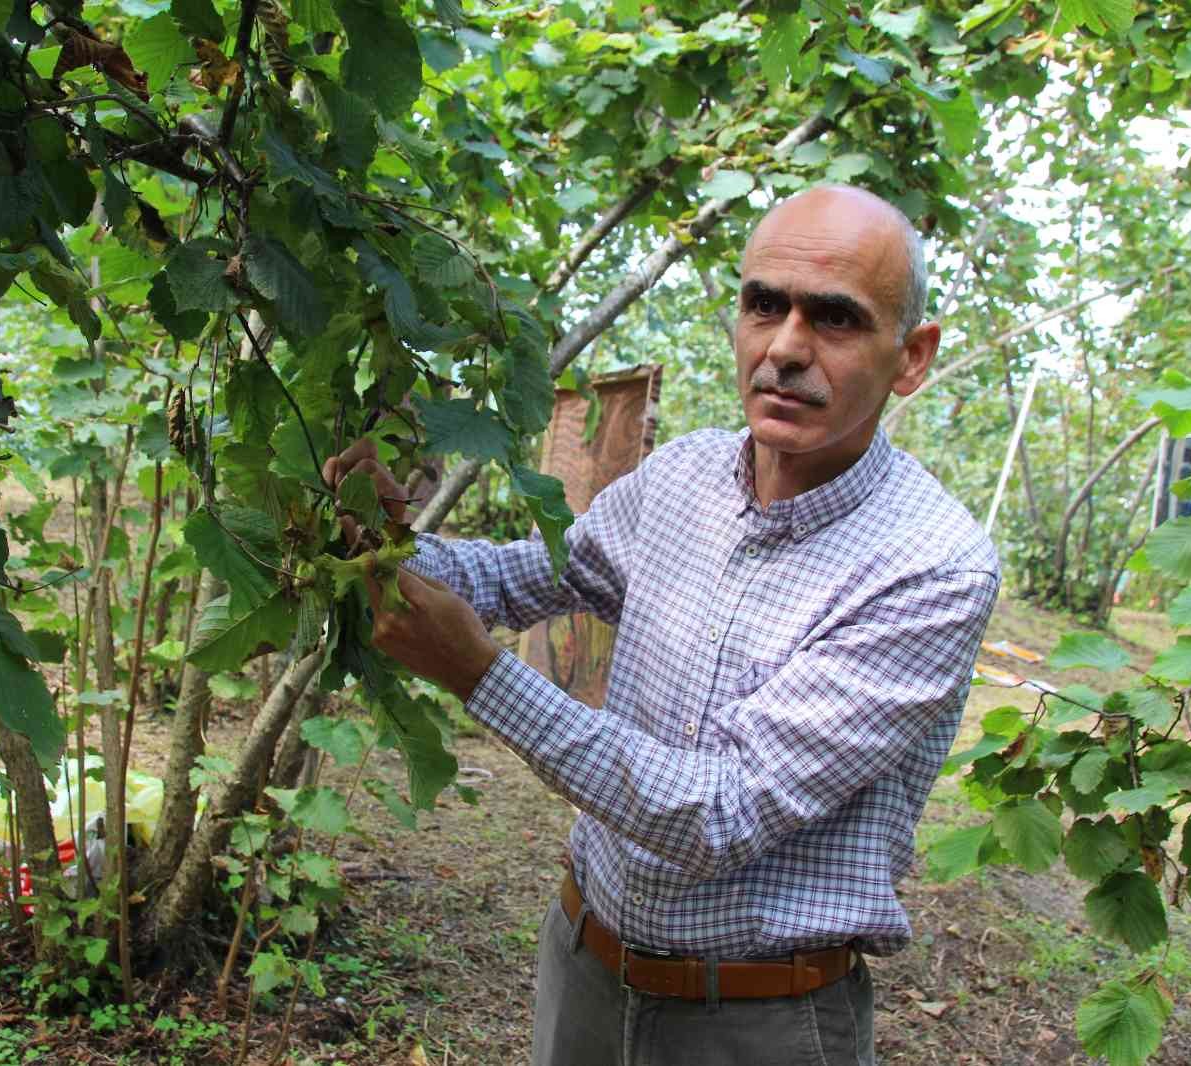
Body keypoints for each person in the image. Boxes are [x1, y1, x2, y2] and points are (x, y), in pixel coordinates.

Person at [323, 185, 1000, 1066]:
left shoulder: (930, 566)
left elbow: (720, 813)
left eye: (834, 318)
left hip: (757, 1022)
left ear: (911, 357)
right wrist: (385, 542)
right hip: (585, 968)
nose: (786, 348)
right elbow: (520, 579)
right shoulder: (680, 480)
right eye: (764, 305)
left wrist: (477, 674)